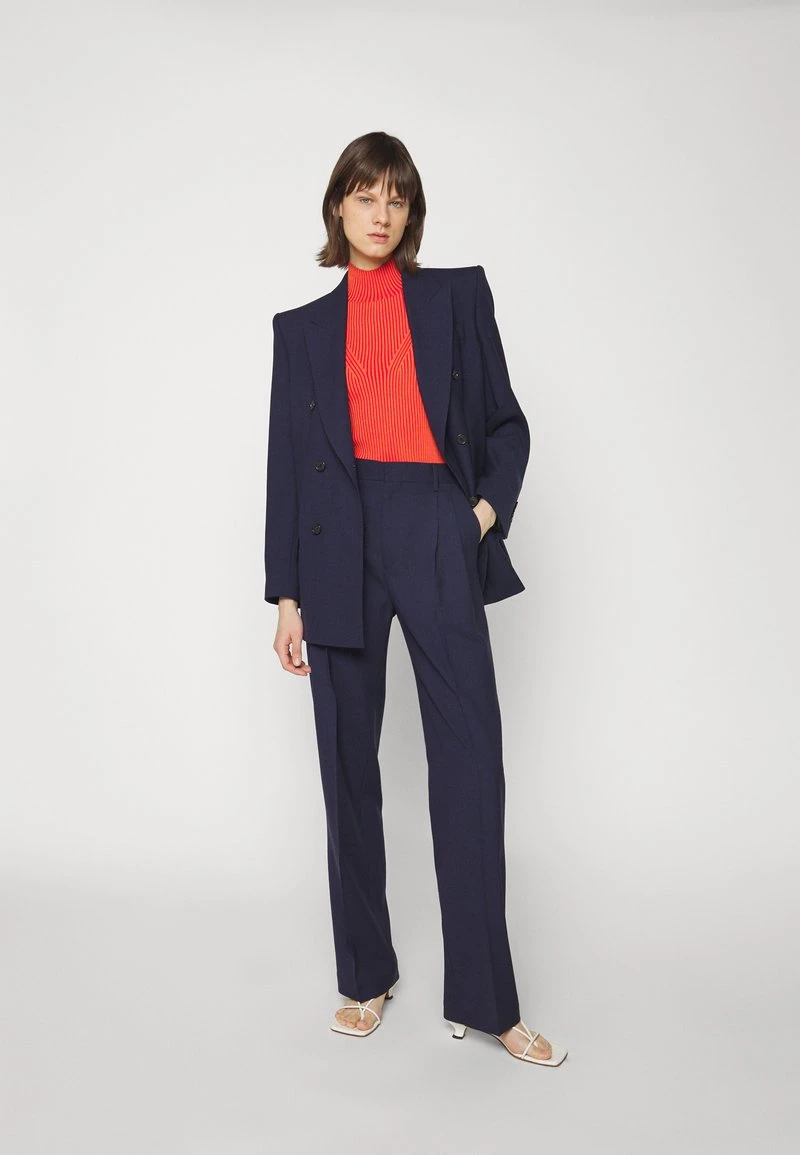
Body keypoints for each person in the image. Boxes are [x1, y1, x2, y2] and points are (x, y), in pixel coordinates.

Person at [263, 131, 567, 1066]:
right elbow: (287, 465)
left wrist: (477, 515)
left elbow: (508, 426)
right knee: (347, 765)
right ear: (338, 207)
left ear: (411, 210)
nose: (381, 213)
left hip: (435, 523)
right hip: (337, 547)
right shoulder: (300, 330)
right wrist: (286, 593)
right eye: (365, 196)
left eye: (395, 198)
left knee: (470, 761)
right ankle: (366, 974)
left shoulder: (456, 297)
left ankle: (487, 998)